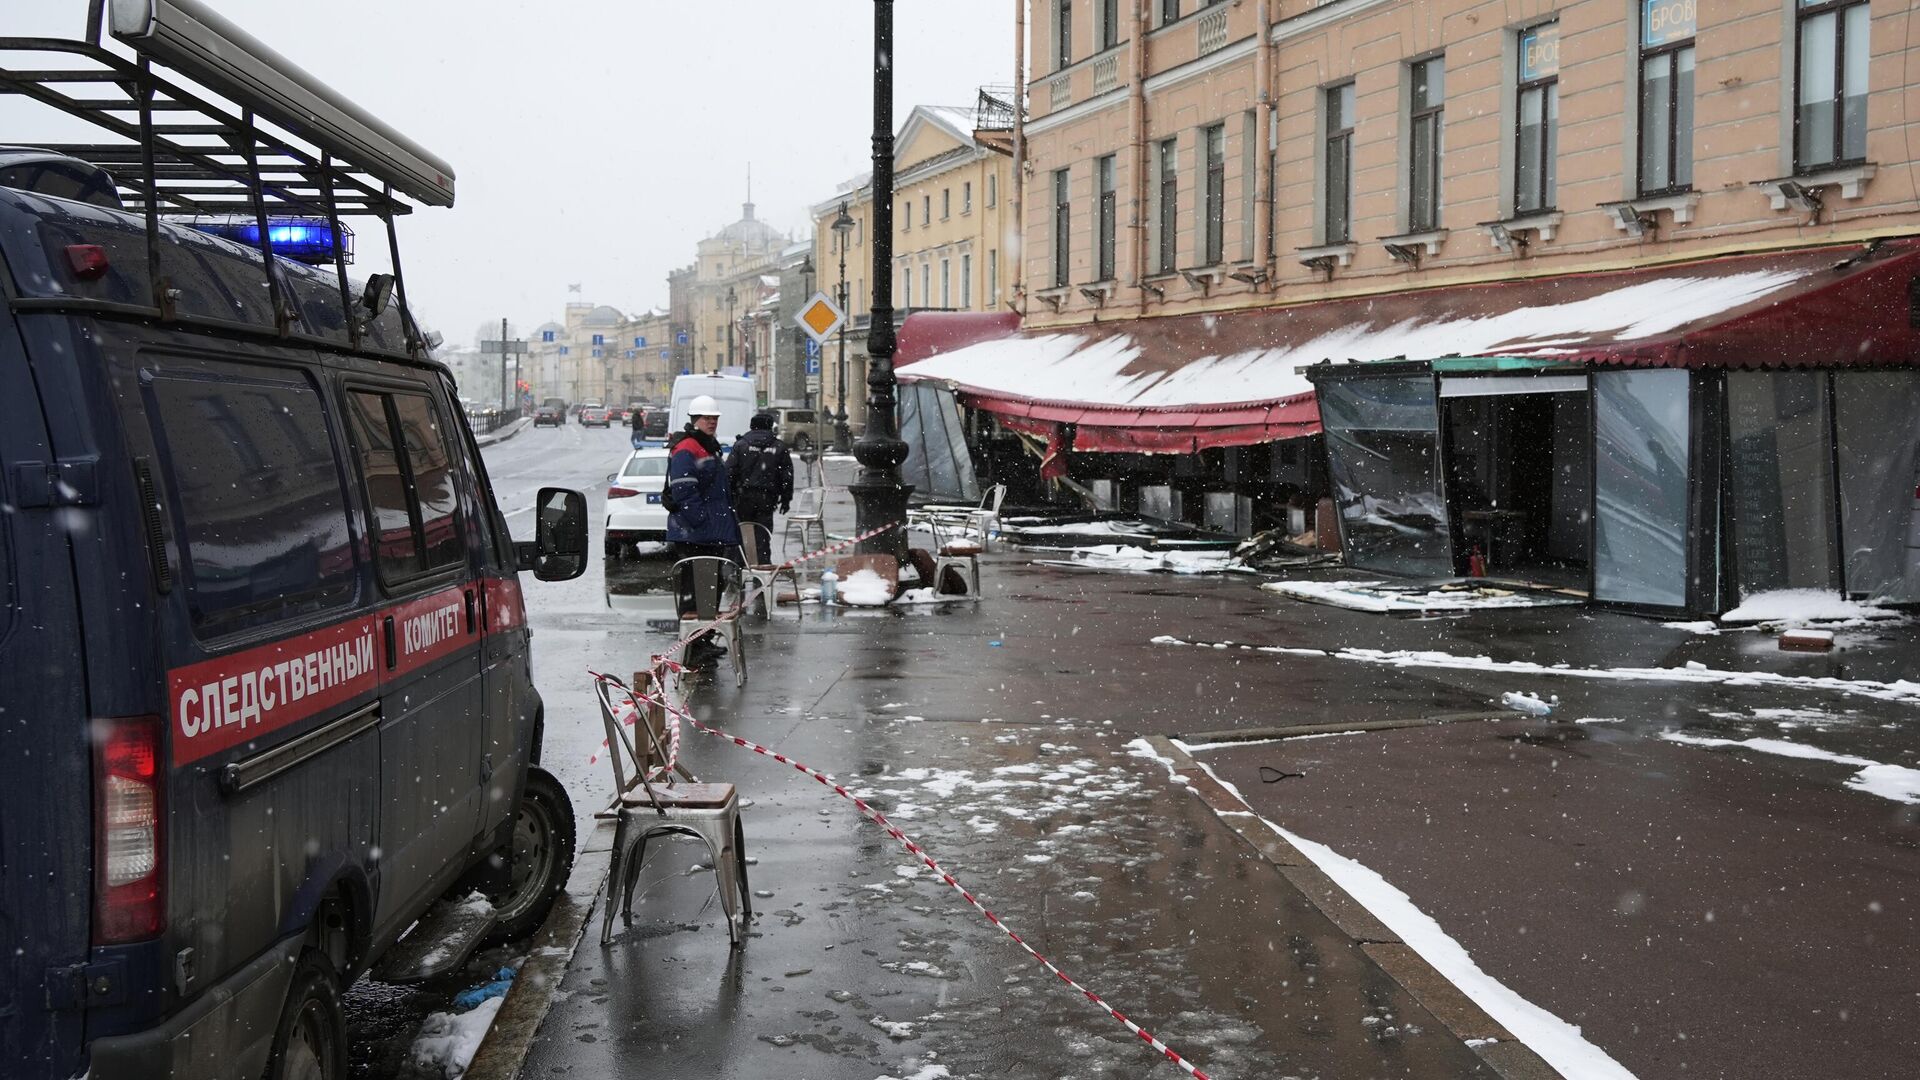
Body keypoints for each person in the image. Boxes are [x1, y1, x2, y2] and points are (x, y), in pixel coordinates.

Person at [666, 396, 741, 666]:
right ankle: (693, 646)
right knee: (695, 592)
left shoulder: (707, 447)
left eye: (715, 418)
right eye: (706, 418)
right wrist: (701, 522)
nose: (711, 422)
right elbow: (684, 490)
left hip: (709, 532)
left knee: (710, 589)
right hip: (695, 534)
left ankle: (703, 640)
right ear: (694, 419)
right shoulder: (688, 448)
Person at [727, 411, 794, 552]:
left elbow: (730, 473)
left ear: (752, 426)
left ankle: (744, 565)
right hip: (767, 498)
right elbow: (787, 476)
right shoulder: (779, 447)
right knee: (763, 535)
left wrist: (731, 495)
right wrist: (786, 499)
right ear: (770, 426)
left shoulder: (741, 445)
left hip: (743, 497)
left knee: (743, 533)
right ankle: (762, 566)